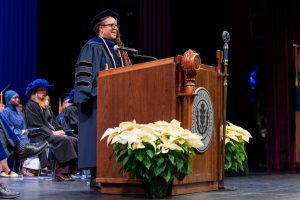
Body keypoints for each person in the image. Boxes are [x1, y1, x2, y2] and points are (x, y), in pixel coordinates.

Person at [74, 9, 131, 188]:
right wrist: (101, 82)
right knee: (97, 138)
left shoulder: (119, 50)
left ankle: (117, 172)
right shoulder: (92, 46)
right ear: (100, 28)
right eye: (111, 25)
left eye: (116, 25)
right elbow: (84, 74)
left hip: (118, 100)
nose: (115, 28)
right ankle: (96, 175)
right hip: (97, 101)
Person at [23, 78, 78, 181]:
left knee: (73, 140)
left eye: (45, 90)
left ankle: (69, 172)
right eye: (41, 90)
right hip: (39, 135)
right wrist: (53, 132)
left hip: (49, 134)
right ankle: (60, 172)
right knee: (65, 141)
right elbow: (36, 124)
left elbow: (54, 122)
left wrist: (60, 130)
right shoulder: (30, 106)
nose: (44, 92)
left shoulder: (45, 106)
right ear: (35, 91)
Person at [1, 90, 42, 176]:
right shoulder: (6, 112)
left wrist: (26, 131)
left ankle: (31, 168)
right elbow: (8, 129)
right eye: (15, 98)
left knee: (35, 143)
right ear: (8, 100)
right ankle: (25, 169)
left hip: (23, 137)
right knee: (27, 146)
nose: (18, 99)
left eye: (18, 97)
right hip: (12, 140)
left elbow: (24, 127)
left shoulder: (19, 113)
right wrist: (22, 132)